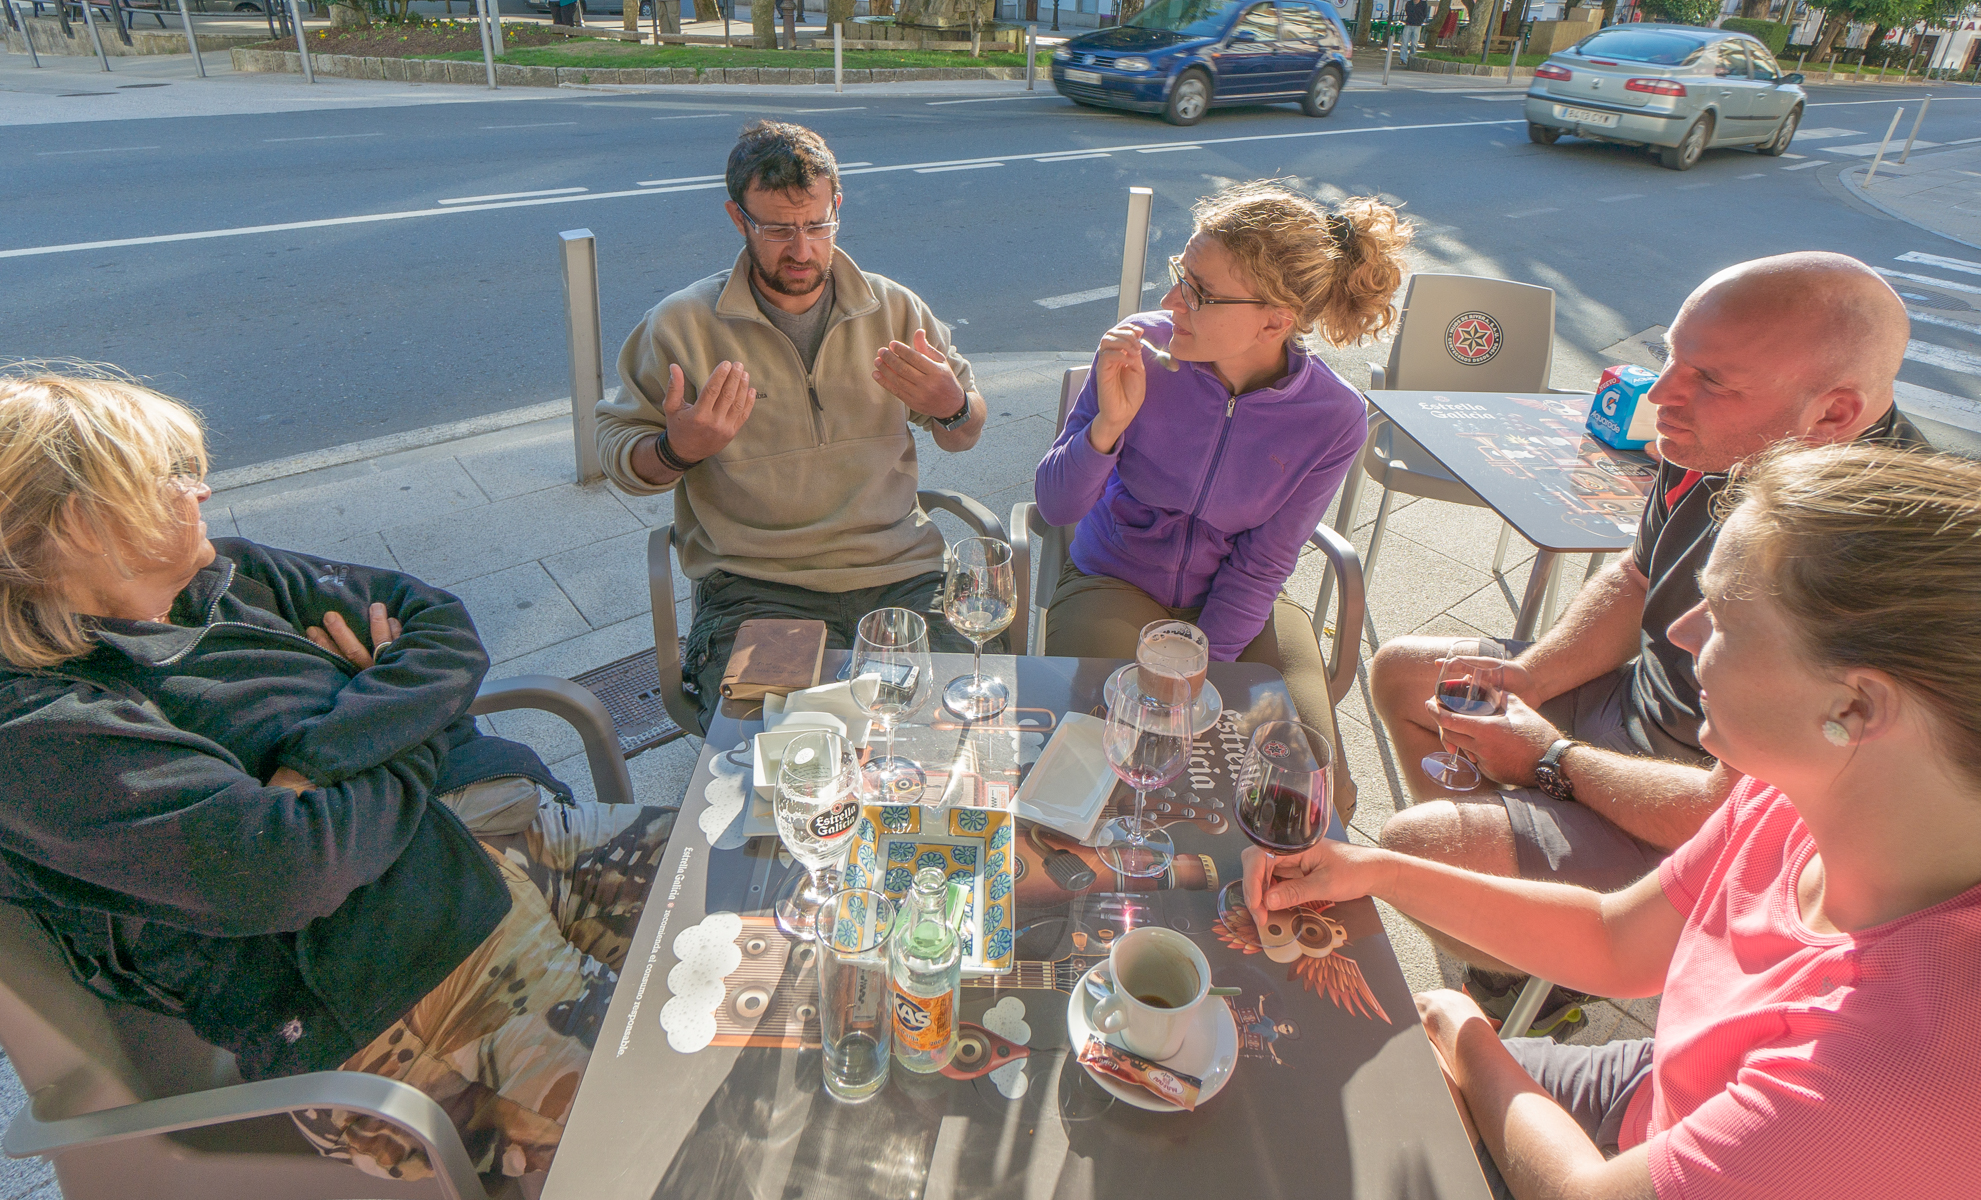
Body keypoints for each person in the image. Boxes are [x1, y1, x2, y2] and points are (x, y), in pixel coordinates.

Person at [1248, 441, 1981, 1200]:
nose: (1681, 633)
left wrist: (1463, 1034)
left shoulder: (1904, 1057)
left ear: (1853, 707)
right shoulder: (1792, 791)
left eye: (1723, 616)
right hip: (1656, 1092)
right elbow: (1614, 938)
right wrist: (1377, 871)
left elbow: (1587, 1194)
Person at [0, 370, 677, 1185]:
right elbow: (284, 866)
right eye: (169, 478)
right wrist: (396, 706)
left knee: (777, 906)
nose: (202, 489)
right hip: (401, 982)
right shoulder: (40, 726)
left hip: (486, 846)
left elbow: (439, 624)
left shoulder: (235, 576)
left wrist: (316, 762)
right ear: (80, 523)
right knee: (699, 1118)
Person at [1365, 252, 1924, 979]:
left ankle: (1520, 961)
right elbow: (1635, 579)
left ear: (1834, 413)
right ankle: (1521, 911)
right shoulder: (1721, 436)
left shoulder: (1869, 563)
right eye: (1671, 357)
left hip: (1712, 811)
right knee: (1409, 674)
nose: (1661, 393)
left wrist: (1547, 762)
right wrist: (1527, 677)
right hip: (1637, 713)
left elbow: (1734, 816)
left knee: (1416, 851)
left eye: (1710, 379)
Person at [1034, 181, 1411, 821]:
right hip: (1113, 579)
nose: (1169, 300)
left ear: (1276, 320)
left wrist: (1201, 674)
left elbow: (1262, 564)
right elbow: (1056, 507)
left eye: (1200, 293)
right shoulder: (1138, 351)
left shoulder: (1335, 418)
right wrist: (1106, 431)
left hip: (1243, 604)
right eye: (1182, 273)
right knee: (1103, 769)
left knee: (1313, 794)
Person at [597, 120, 989, 731]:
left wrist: (953, 406)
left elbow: (965, 433)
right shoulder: (681, 326)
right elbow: (618, 454)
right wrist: (678, 450)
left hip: (900, 577)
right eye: (778, 230)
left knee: (948, 731)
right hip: (758, 589)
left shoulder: (895, 309)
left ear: (838, 208)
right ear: (738, 219)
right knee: (780, 750)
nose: (802, 250)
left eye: (816, 226)